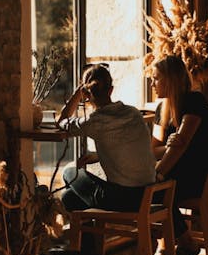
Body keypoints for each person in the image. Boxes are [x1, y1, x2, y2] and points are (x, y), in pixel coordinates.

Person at [151, 55, 208, 255]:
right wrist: (168, 146)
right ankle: (175, 246)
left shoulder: (194, 101)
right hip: (181, 173)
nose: (152, 83)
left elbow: (181, 144)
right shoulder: (161, 109)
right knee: (155, 192)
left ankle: (182, 245)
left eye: (156, 78)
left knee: (157, 192)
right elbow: (155, 149)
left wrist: (158, 174)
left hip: (205, 177)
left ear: (171, 80)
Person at [57, 64, 156, 213]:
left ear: (86, 94)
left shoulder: (95, 122)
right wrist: (98, 156)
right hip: (148, 194)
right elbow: (127, 148)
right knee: (69, 197)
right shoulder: (134, 113)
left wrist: (77, 95)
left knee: (69, 170)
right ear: (111, 90)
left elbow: (61, 121)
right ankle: (89, 237)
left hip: (122, 199)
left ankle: (89, 235)